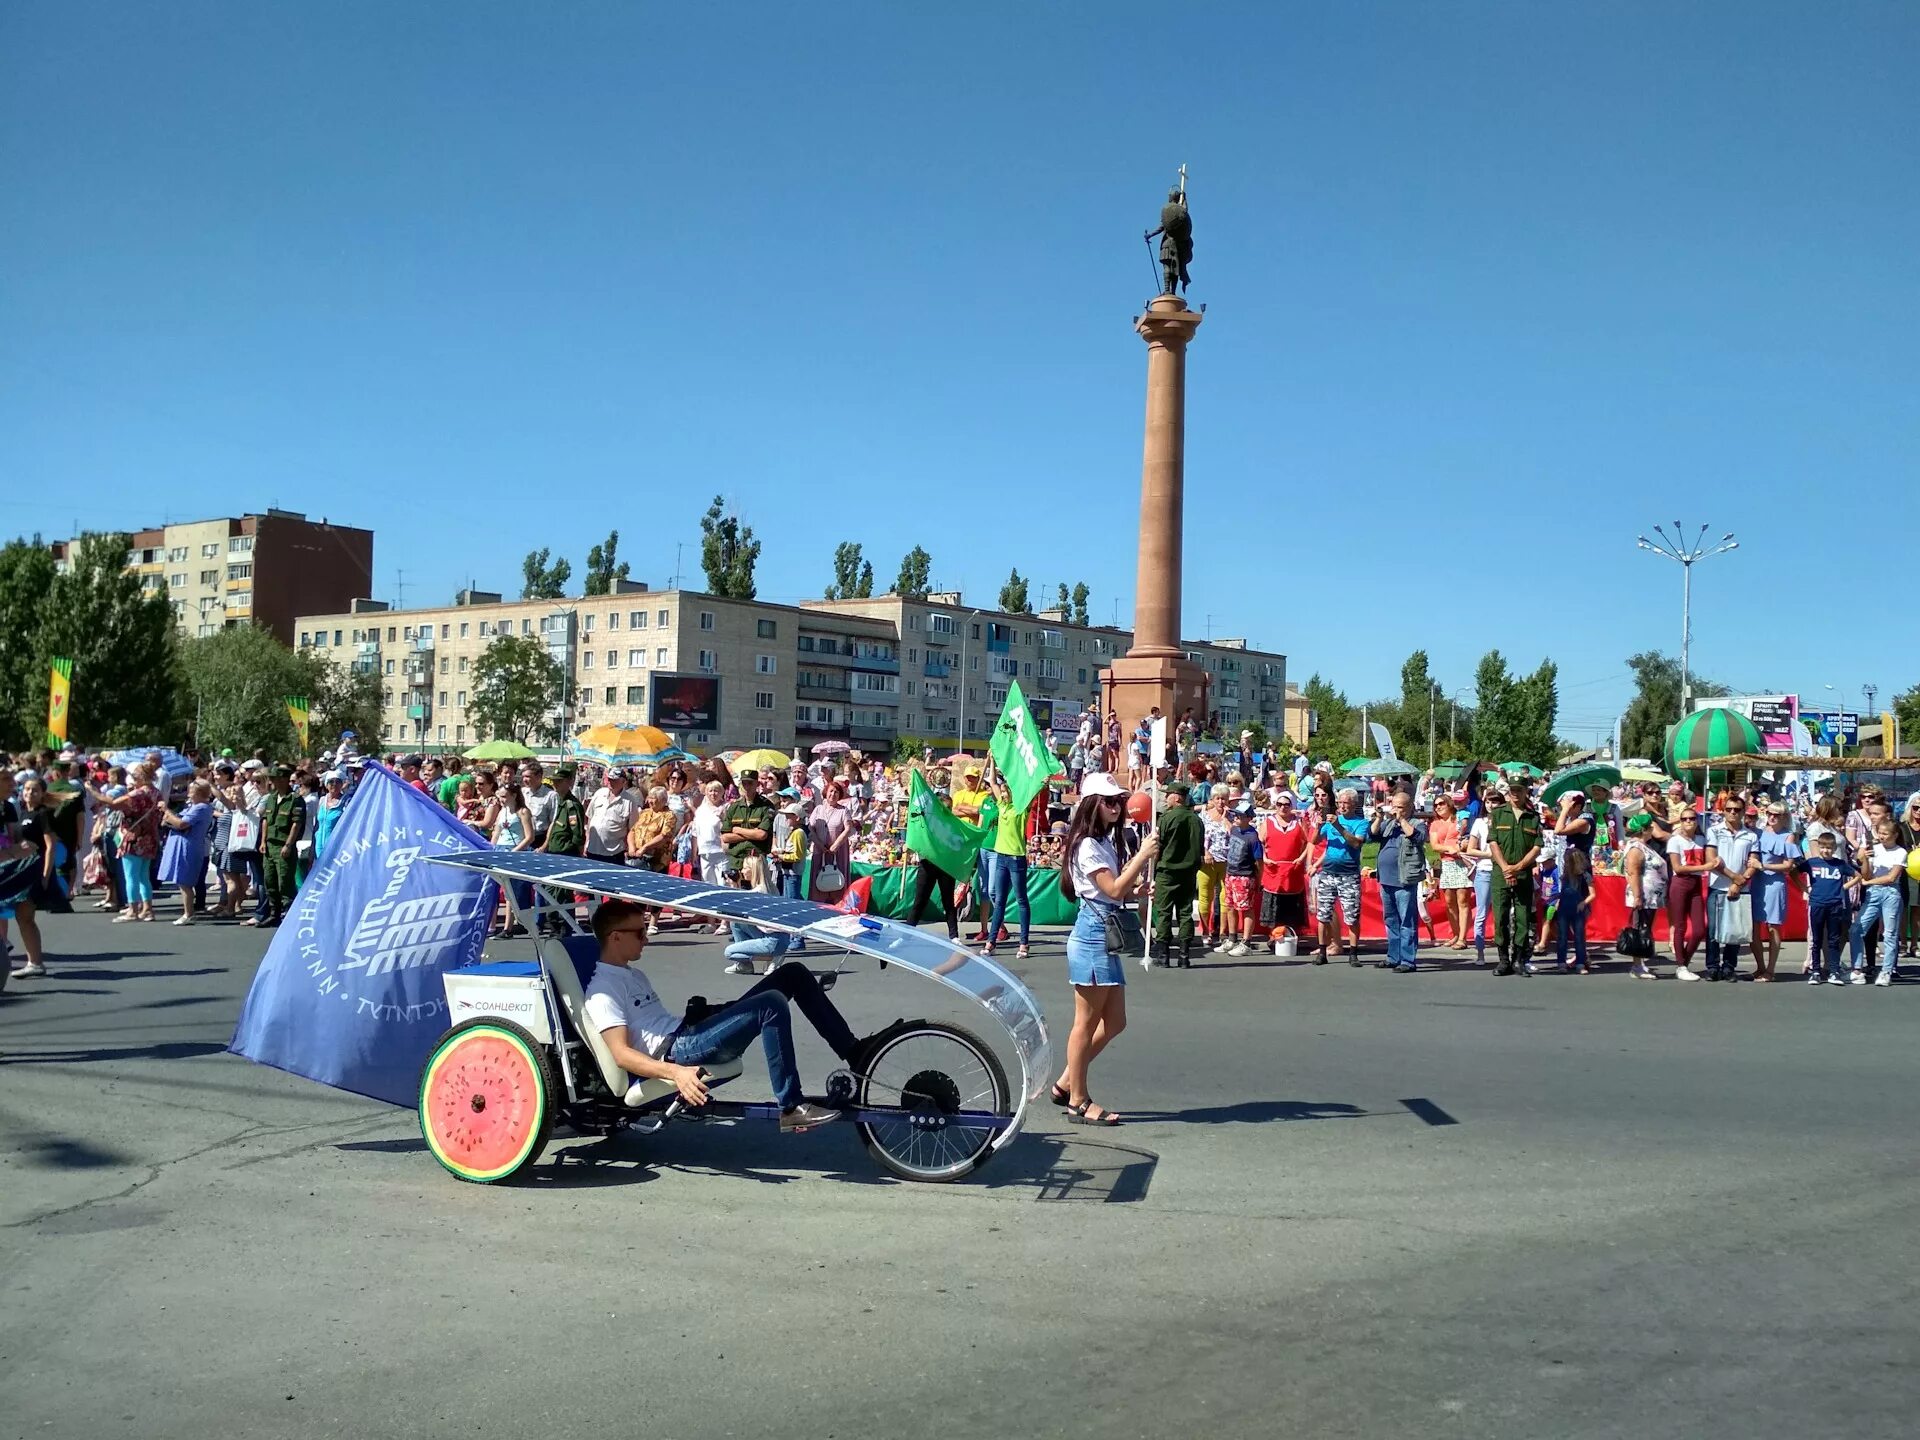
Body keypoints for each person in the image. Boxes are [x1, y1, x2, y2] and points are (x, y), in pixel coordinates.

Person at [583, 898, 867, 1133]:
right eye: (639, 932)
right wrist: (677, 1074)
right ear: (615, 937)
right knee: (770, 1004)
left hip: (689, 1032)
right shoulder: (602, 990)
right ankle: (791, 1106)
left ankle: (855, 1052)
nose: (646, 939)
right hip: (677, 1052)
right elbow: (621, 1054)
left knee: (794, 974)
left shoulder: (632, 974)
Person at [1054, 774, 1159, 1126]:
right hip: (1092, 934)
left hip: (1104, 931)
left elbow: (1114, 892)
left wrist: (1138, 890)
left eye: (1118, 801)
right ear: (1091, 804)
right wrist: (1142, 857)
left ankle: (1067, 1082)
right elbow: (1111, 889)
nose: (1116, 807)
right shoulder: (1086, 845)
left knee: (1115, 1021)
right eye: (1108, 801)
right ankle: (1078, 1100)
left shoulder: (1100, 842)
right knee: (1084, 1023)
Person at [1487, 778, 1543, 976]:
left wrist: (1518, 867)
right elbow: (1493, 842)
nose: (1515, 794)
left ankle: (1518, 959)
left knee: (1523, 918)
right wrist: (1505, 868)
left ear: (1526, 792)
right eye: (1512, 790)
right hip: (1500, 873)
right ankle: (1503, 960)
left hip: (1523, 874)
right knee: (1501, 917)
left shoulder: (1533, 817)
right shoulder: (1498, 813)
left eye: (1519, 790)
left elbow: (1537, 847)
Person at [1702, 792, 1760, 982]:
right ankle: (1712, 966)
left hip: (1741, 888)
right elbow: (1711, 860)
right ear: (1723, 811)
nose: (1733, 813)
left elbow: (1754, 862)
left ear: (1743, 812)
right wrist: (1735, 878)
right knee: (1713, 929)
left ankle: (1729, 967)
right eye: (1729, 809)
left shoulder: (1751, 835)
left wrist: (1741, 880)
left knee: (1734, 929)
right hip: (1718, 885)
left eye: (1737, 810)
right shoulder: (1714, 831)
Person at [1370, 789, 1429, 973]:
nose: (1396, 810)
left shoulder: (1416, 823)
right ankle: (1393, 957)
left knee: (1407, 921)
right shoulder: (1388, 824)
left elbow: (1418, 838)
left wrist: (1402, 820)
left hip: (1405, 880)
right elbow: (1372, 835)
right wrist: (1379, 817)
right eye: (1394, 806)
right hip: (1386, 880)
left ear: (1409, 807)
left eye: (1400, 807)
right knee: (1391, 920)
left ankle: (1408, 960)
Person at [1846, 816, 1907, 986]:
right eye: (1879, 833)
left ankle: (1886, 971)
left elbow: (1892, 877)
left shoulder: (1900, 852)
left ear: (1894, 835)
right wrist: (1864, 858)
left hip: (1891, 893)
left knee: (1890, 933)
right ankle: (1857, 969)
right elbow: (1866, 874)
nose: (1881, 836)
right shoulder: (1875, 849)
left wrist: (1868, 882)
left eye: (1885, 834)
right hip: (1874, 893)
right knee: (1856, 929)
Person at [1150, 779, 1205, 966]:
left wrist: (1153, 868)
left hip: (1167, 871)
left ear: (1177, 798)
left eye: (1169, 795)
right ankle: (1184, 955)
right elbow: (1200, 848)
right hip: (1188, 872)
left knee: (1164, 912)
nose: (1166, 798)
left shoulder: (1166, 818)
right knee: (1185, 912)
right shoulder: (1196, 820)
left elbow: (1159, 846)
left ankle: (1163, 955)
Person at [981, 771, 1033, 961]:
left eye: (1005, 792)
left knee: (1021, 900)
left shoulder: (1021, 808)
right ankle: (991, 941)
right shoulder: (1001, 805)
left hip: (1016, 858)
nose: (1002, 795)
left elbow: (1032, 789)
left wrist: (1042, 781)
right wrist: (993, 760)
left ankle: (1024, 943)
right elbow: (993, 781)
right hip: (1001, 856)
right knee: (999, 900)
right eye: (1001, 792)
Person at [1315, 787, 1369, 964]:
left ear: (1354, 804)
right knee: (1323, 914)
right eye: (1339, 803)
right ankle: (1322, 951)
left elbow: (1356, 843)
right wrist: (1318, 826)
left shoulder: (1360, 823)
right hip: (1328, 872)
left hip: (1349, 874)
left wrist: (1339, 826)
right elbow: (1315, 840)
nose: (1342, 806)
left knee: (1352, 916)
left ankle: (1353, 952)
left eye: (1345, 803)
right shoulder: (1330, 822)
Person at [1749, 802, 1802, 982]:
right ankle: (1760, 967)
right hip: (1756, 883)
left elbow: (1788, 865)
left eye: (1777, 815)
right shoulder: (1758, 832)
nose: (1772, 817)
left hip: (1774, 883)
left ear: (1784, 816)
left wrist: (1763, 866)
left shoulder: (1788, 836)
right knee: (1754, 927)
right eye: (1770, 813)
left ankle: (1770, 970)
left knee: (1773, 927)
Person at [1257, 790, 1311, 957]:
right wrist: (1265, 859)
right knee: (1274, 906)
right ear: (1275, 806)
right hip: (1273, 871)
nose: (1283, 808)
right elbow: (1259, 844)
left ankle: (1290, 935)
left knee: (1292, 907)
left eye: (1287, 805)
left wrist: (1301, 859)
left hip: (1293, 871)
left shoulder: (1299, 823)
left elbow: (1309, 843)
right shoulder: (1268, 822)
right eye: (1279, 804)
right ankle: (1275, 936)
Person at [156, 780, 215, 925]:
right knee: (181, 880)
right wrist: (170, 818)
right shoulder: (192, 807)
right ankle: (187, 911)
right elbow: (174, 821)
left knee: (185, 881)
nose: (188, 793)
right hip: (182, 844)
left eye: (192, 790)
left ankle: (189, 913)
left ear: (199, 792)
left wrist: (167, 812)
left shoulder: (201, 808)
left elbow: (182, 824)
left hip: (189, 846)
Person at [255, 765, 307, 929]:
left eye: (274, 779)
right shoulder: (271, 798)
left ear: (284, 779)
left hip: (283, 846)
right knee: (269, 880)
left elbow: (296, 824)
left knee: (285, 881)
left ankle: (288, 914)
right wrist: (263, 841)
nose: (271, 782)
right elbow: (265, 820)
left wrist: (289, 844)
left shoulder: (295, 799)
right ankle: (273, 914)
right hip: (270, 845)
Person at [1799, 830, 1853, 985]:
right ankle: (1815, 971)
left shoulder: (1840, 864)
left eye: (1829, 848)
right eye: (1823, 847)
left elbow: (1857, 876)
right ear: (1819, 847)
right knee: (1816, 939)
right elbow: (1795, 873)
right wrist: (1804, 888)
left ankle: (1834, 971)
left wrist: (1843, 887)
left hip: (1835, 905)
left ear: (1835, 848)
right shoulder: (1812, 862)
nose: (1826, 851)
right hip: (1817, 904)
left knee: (1833, 940)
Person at [1618, 812, 1667, 981]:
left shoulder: (1643, 846)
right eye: (1650, 828)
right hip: (1643, 896)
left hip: (1650, 896)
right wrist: (1638, 897)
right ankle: (1637, 965)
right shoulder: (1636, 848)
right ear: (1645, 830)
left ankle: (1640, 963)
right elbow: (1634, 873)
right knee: (1640, 929)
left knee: (1644, 929)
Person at [1665, 808, 1711, 979]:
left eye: (1692, 818)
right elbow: (1677, 867)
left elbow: (1710, 858)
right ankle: (1681, 964)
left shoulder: (1701, 839)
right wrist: (1704, 867)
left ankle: (1684, 961)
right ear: (1680, 821)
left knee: (1699, 929)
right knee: (1680, 926)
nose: (1688, 822)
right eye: (1684, 819)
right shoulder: (1675, 841)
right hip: (1680, 883)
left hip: (1696, 884)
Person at [720, 769, 776, 892]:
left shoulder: (766, 806)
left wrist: (738, 830)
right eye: (744, 783)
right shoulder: (734, 807)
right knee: (734, 896)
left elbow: (761, 834)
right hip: (736, 859)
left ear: (757, 784)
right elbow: (725, 837)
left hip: (755, 859)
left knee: (757, 894)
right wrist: (751, 833)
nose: (746, 787)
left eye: (750, 783)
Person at [1218, 800, 1261, 957]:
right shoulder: (1235, 830)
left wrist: (1259, 879)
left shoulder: (1253, 837)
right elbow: (1226, 823)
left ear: (1249, 818)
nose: (1236, 817)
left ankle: (1247, 942)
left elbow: (1258, 861)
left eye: (1241, 815)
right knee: (1230, 906)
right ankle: (1232, 938)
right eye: (1236, 814)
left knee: (1246, 908)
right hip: (1231, 874)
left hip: (1245, 876)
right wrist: (1225, 813)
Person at [1429, 795, 1472, 952]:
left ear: (1449, 804)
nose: (1438, 807)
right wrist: (1449, 849)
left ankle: (1462, 937)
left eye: (1441, 803)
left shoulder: (1460, 819)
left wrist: (1461, 847)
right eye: (1436, 805)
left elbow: (1467, 838)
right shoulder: (1435, 824)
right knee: (1449, 901)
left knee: (1462, 900)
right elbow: (1434, 845)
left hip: (1462, 862)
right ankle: (1455, 933)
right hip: (1447, 863)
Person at [807, 777, 855, 905]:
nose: (833, 794)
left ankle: (838, 904)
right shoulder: (818, 809)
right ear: (826, 792)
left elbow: (848, 829)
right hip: (820, 850)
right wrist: (819, 844)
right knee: (819, 877)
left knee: (836, 879)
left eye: (836, 792)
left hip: (838, 852)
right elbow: (810, 828)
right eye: (831, 791)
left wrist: (836, 845)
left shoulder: (843, 810)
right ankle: (817, 904)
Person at [584, 767, 638, 866]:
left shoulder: (630, 801)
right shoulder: (599, 793)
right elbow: (590, 818)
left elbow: (632, 829)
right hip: (592, 850)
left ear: (623, 781)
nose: (610, 782)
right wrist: (586, 842)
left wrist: (629, 847)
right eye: (609, 779)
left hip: (614, 854)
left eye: (614, 780)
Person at [1554, 847, 1595, 973]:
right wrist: (1558, 900)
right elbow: (1563, 891)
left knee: (1579, 936)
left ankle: (1580, 963)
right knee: (1562, 936)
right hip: (1564, 907)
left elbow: (1593, 894)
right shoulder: (1565, 875)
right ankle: (1561, 962)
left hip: (1578, 908)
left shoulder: (1585, 876)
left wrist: (1584, 903)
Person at [625, 784, 678, 872]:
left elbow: (664, 836)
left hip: (655, 862)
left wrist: (644, 848)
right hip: (637, 857)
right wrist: (631, 847)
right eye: (650, 797)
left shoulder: (669, 816)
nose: (650, 801)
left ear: (663, 801)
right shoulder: (644, 812)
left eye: (654, 798)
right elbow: (633, 831)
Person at [543, 764, 586, 859]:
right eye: (553, 781)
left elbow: (577, 834)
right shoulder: (557, 801)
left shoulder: (571, 806)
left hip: (566, 854)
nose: (555, 784)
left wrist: (579, 854)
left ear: (568, 782)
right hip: (553, 852)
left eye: (559, 781)